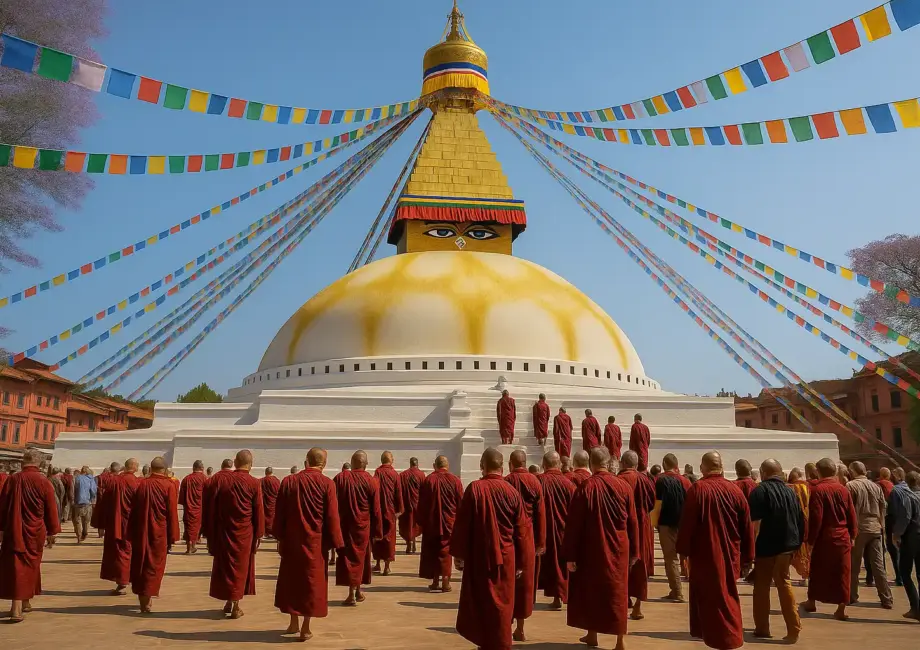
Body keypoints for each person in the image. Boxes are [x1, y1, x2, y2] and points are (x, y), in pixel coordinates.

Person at [677, 452, 754, 650]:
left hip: (705, 555)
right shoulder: (735, 490)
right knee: (727, 593)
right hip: (730, 554)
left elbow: (687, 525)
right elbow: (747, 527)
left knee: (710, 597)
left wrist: (683, 552)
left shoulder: (698, 490)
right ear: (721, 466)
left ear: (703, 467)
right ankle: (726, 636)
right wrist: (748, 557)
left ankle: (725, 639)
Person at [564, 446, 639, 650]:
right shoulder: (624, 487)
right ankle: (617, 640)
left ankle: (593, 633)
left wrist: (570, 555)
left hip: (592, 549)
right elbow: (633, 522)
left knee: (592, 592)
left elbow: (574, 525)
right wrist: (635, 552)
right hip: (619, 549)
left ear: (591, 465)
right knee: (618, 592)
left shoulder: (586, 487)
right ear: (609, 463)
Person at [450, 448, 525, 650]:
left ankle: (486, 642)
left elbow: (463, 524)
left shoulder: (474, 489)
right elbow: (521, 531)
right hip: (507, 557)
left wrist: (458, 555)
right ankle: (500, 643)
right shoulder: (512, 492)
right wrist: (522, 562)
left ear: (482, 466)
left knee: (481, 601)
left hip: (479, 557)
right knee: (503, 603)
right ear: (502, 467)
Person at [273, 447, 343, 642]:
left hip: (292, 542)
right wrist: (335, 543)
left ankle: (293, 622)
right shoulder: (327, 484)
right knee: (311, 584)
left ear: (306, 461)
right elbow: (332, 517)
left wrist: (279, 537)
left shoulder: (289, 481)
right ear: (324, 464)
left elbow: (279, 514)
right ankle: (305, 627)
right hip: (315, 544)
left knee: (292, 582)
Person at [748, 459, 805, 643]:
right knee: (784, 583)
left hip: (766, 547)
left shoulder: (759, 491)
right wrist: (797, 545)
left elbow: (755, 525)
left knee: (762, 587)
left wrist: (751, 550)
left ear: (763, 473)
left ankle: (762, 627)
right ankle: (793, 628)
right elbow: (800, 520)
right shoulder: (791, 492)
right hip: (788, 546)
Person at [0, 449, 60, 623]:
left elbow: (2, 507)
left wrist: (1, 529)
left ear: (22, 462)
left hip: (14, 530)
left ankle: (24, 602)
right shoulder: (44, 481)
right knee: (30, 565)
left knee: (16, 565)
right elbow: (51, 509)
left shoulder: (13, 479)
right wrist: (52, 531)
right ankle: (16, 608)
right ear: (40, 463)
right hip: (35, 532)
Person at [209, 450, 265, 619]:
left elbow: (215, 508)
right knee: (241, 568)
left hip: (226, 531)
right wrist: (259, 533)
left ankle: (229, 601)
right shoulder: (254, 483)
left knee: (227, 567)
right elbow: (258, 511)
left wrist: (212, 531)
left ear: (235, 461)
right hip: (245, 533)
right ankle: (235, 605)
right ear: (251, 464)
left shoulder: (223, 481)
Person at [800, 457, 858, 621]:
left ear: (818, 471)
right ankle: (841, 607)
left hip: (825, 537)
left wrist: (810, 540)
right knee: (843, 571)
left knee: (817, 570)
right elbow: (851, 514)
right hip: (843, 535)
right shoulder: (843, 489)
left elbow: (816, 517)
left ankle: (812, 601)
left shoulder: (818, 490)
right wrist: (853, 534)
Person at [504, 450, 546, 642]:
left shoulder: (505, 482)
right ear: (525, 462)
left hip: (507, 538)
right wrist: (541, 542)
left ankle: (506, 624)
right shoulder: (534, 482)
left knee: (507, 583)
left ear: (511, 464)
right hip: (528, 538)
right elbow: (540, 515)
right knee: (524, 586)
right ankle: (520, 628)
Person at [129, 456, 179, 613]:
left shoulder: (141, 484)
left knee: (141, 563)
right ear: (164, 470)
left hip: (141, 532)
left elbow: (133, 510)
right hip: (159, 534)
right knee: (153, 566)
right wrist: (173, 535)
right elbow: (172, 512)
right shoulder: (168, 486)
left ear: (151, 469)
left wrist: (130, 531)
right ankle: (148, 596)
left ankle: (143, 599)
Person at [335, 450, 382, 606]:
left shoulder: (341, 478)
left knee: (348, 558)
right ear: (365, 464)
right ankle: (357, 591)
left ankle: (351, 593)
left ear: (352, 462)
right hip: (363, 528)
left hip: (345, 526)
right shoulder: (371, 481)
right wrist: (378, 531)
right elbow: (376, 510)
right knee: (361, 558)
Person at [845, 461, 893, 608]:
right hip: (875, 527)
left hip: (859, 528)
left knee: (854, 565)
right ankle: (886, 598)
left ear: (852, 471)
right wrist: (881, 525)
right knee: (878, 565)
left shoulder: (851, 486)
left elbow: (849, 510)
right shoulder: (876, 486)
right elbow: (883, 506)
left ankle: (852, 595)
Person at [616, 450, 655, 621]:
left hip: (624, 527)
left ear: (623, 463)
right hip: (643, 526)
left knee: (623, 565)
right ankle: (638, 607)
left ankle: (626, 601)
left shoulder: (619, 480)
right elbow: (652, 503)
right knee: (640, 566)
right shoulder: (646, 480)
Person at [417, 455, 463, 593]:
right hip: (450, 522)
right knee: (446, 552)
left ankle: (436, 581)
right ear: (447, 466)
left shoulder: (429, 480)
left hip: (432, 523)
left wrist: (421, 521)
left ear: (434, 465)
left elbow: (422, 504)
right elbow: (460, 503)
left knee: (433, 551)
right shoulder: (455, 481)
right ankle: (445, 582)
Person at [537, 450, 576, 610]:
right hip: (564, 531)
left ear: (543, 465)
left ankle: (555, 598)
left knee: (548, 564)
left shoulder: (538, 481)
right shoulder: (569, 484)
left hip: (544, 531)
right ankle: (561, 595)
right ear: (559, 464)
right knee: (561, 563)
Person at [653, 453, 691, 602]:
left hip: (666, 523)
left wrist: (654, 523)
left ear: (663, 464)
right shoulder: (685, 481)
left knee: (671, 558)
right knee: (685, 554)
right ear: (677, 465)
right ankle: (686, 577)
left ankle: (677, 591)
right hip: (683, 523)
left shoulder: (659, 480)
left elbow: (656, 504)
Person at [100, 458, 140, 596]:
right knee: (129, 551)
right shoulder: (137, 482)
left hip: (115, 523)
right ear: (135, 468)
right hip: (132, 523)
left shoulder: (114, 481)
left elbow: (104, 502)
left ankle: (121, 582)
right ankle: (127, 580)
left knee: (119, 552)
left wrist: (104, 521)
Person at [890, 469, 920, 620]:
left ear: (907, 482)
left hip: (912, 537)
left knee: (905, 572)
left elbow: (905, 518)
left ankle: (916, 607)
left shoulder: (909, 497)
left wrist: (896, 535)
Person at [372, 451, 403, 575]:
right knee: (389, 538)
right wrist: (399, 509)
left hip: (379, 509)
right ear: (391, 460)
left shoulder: (378, 473)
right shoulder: (394, 474)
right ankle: (387, 566)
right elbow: (398, 493)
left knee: (378, 536)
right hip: (390, 511)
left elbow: (374, 490)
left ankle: (378, 564)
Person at [786, 468, 811, 584]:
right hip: (808, 520)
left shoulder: (789, 487)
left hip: (793, 521)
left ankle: (786, 576)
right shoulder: (809, 486)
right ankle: (806, 576)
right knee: (805, 550)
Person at [178, 460, 207, 554]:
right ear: (202, 468)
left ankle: (189, 547)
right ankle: (193, 546)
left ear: (193, 468)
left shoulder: (186, 479)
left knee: (189, 526)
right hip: (200, 508)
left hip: (188, 508)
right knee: (196, 527)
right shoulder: (204, 479)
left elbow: (181, 497)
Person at [880, 467, 903, 587]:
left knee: (892, 550)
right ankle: (901, 576)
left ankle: (900, 577)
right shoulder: (900, 488)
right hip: (901, 523)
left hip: (890, 522)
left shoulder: (890, 488)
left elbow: (889, 508)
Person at [398, 457, 425, 555]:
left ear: (410, 464)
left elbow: (399, 491)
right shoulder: (421, 475)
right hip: (417, 505)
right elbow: (424, 492)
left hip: (406, 505)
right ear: (417, 464)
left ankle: (409, 543)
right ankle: (412, 542)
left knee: (407, 525)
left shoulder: (402, 475)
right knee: (415, 526)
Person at [72, 466, 97, 543]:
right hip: (87, 503)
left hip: (77, 503)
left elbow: (72, 490)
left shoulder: (76, 478)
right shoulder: (90, 479)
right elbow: (93, 491)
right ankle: (85, 532)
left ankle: (79, 536)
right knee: (86, 521)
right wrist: (92, 499)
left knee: (77, 521)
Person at [261, 467, 281, 540]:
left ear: (265, 472)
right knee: (273, 517)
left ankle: (266, 532)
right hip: (273, 503)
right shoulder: (277, 481)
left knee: (265, 517)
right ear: (272, 472)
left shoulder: (262, 481)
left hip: (265, 502)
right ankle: (272, 532)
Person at [47, 468, 65, 541]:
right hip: (56, 499)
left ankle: (50, 536)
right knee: (56, 517)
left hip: (49, 500)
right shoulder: (58, 480)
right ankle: (53, 536)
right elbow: (62, 491)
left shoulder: (48, 479)